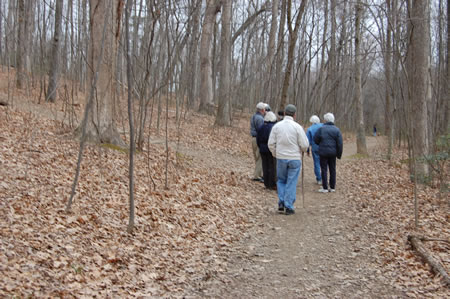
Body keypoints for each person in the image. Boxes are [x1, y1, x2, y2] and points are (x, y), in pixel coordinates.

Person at [268, 104, 309, 215]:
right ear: (294, 115)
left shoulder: (277, 126)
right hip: (294, 158)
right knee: (291, 181)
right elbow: (305, 144)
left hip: (281, 157)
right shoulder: (297, 127)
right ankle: (289, 206)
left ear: (285, 113)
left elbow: (271, 143)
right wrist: (303, 150)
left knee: (281, 180)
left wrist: (275, 153)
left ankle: (282, 203)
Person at [313, 113, 343, 193]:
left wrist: (321, 143)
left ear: (325, 120)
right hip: (333, 153)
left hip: (323, 152)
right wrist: (339, 154)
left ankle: (325, 187)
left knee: (324, 169)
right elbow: (340, 143)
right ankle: (332, 187)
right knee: (332, 169)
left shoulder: (321, 129)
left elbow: (315, 139)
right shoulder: (337, 130)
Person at [257, 111, 277, 190]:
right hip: (270, 149)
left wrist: (260, 146)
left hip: (262, 148)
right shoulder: (274, 127)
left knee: (265, 166)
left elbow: (258, 139)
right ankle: (271, 183)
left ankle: (266, 183)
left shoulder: (261, 127)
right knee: (271, 166)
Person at [250, 102, 266, 181]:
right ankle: (257, 176)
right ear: (262, 110)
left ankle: (258, 174)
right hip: (258, 139)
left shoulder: (253, 116)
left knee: (257, 157)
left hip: (253, 138)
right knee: (260, 157)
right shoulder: (260, 119)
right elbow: (261, 130)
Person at [306, 115, 323, 185]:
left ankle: (319, 178)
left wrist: (307, 150)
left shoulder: (310, 129)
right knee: (324, 163)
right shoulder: (323, 126)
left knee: (316, 163)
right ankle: (324, 176)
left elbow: (307, 141)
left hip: (315, 147)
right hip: (323, 147)